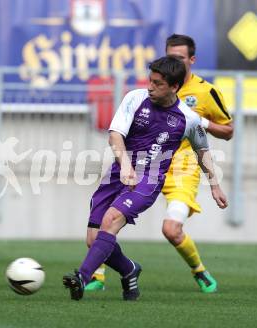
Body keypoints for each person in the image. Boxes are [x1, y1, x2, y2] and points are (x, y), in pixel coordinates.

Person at [63, 55, 228, 301]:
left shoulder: (188, 119)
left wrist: (215, 186)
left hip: (148, 181)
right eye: (150, 80)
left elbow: (202, 151)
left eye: (158, 83)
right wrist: (126, 165)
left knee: (111, 219)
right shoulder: (135, 98)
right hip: (118, 174)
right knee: (93, 239)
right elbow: (115, 136)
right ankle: (129, 270)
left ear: (174, 86)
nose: (150, 86)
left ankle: (82, 277)